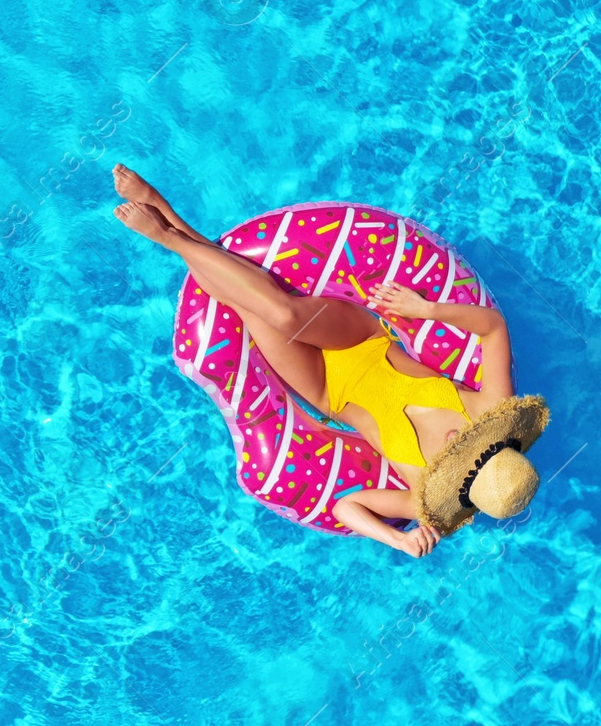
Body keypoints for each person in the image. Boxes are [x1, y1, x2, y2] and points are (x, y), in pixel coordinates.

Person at [111, 165, 549, 558]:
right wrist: (425, 311)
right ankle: (166, 232)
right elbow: (492, 326)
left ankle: (166, 215)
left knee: (250, 310)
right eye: (478, 446)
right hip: (361, 341)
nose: (462, 444)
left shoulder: (426, 496)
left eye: (465, 461)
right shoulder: (492, 406)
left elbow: (346, 506)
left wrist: (397, 538)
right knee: (282, 314)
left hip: (326, 391)